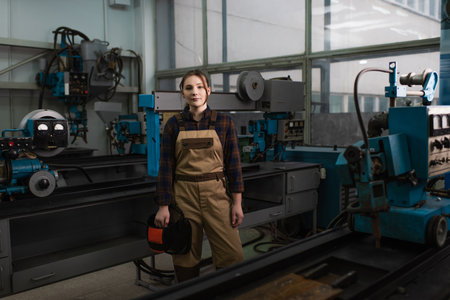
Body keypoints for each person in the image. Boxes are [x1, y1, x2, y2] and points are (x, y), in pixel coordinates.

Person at [155, 69, 244, 282]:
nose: (195, 92)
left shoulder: (224, 122)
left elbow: (234, 165)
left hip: (217, 195)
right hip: (184, 197)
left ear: (208, 91)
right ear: (182, 93)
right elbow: (166, 167)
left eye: (200, 87)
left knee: (232, 255)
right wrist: (163, 206)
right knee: (184, 255)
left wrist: (237, 203)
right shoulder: (173, 124)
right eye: (189, 88)